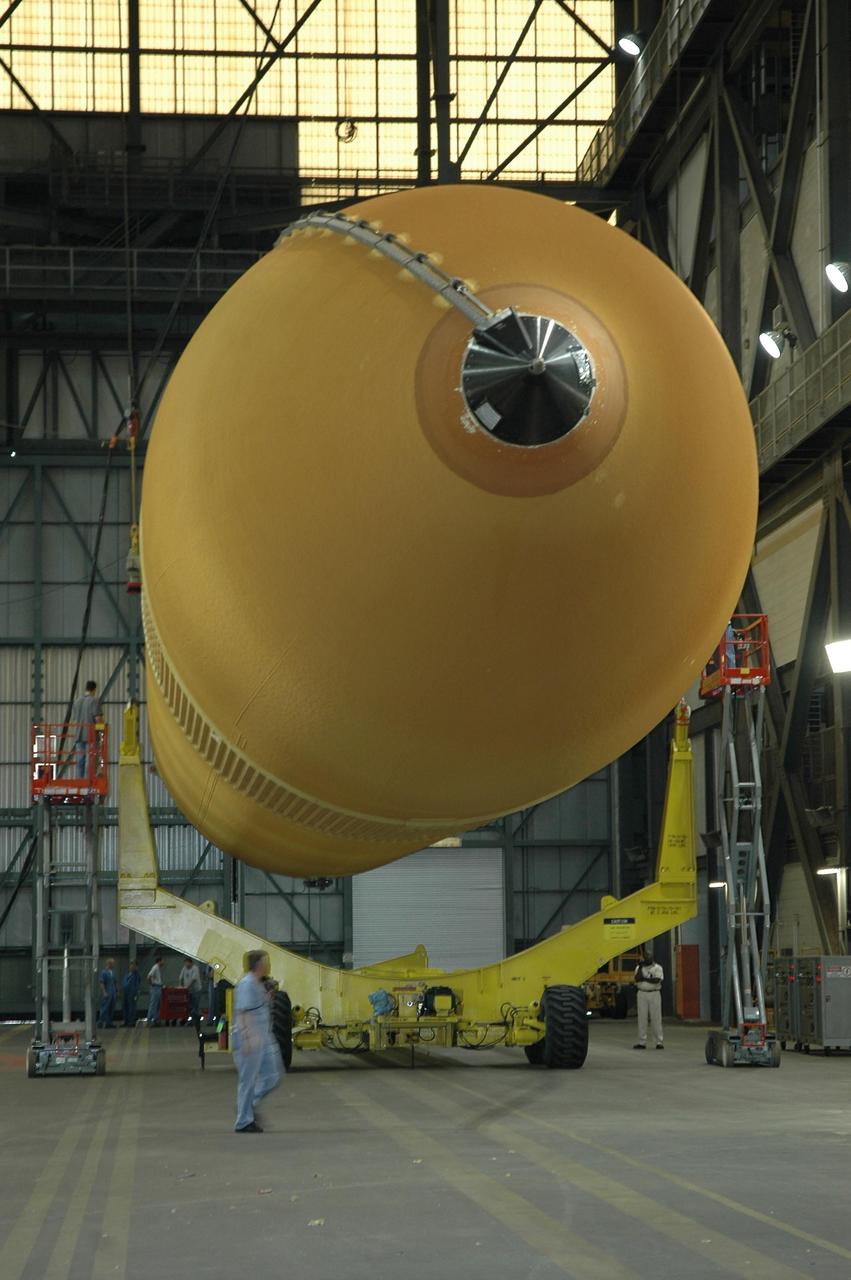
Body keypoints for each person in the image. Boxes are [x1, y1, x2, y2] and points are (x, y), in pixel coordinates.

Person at [232, 951, 283, 1133]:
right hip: (250, 1039)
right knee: (248, 1080)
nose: (268, 965)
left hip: (263, 1037)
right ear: (258, 965)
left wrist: (268, 994)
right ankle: (243, 1121)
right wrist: (246, 1038)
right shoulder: (246, 984)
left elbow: (260, 1007)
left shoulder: (258, 984)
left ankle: (248, 1104)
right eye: (266, 962)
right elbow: (242, 1013)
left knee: (273, 1075)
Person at [70, 680, 102, 779]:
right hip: (91, 735)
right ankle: (89, 781)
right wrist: (102, 728)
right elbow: (98, 718)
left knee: (80, 760)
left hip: (79, 735)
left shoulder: (77, 701)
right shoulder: (94, 700)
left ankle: (80, 781)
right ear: (94, 689)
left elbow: (74, 720)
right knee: (90, 759)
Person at [633, 947, 664, 1049]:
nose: (647, 958)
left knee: (656, 1018)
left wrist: (645, 978)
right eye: (645, 956)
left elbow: (656, 980)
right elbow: (637, 979)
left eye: (649, 956)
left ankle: (659, 1042)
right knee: (642, 1018)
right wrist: (640, 967)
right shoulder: (639, 968)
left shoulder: (657, 968)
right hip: (642, 993)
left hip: (654, 994)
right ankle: (642, 1042)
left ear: (652, 957)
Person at [179, 956, 202, 1023]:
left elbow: (193, 979)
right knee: (189, 1006)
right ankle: (188, 1019)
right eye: (185, 964)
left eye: (186, 963)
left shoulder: (195, 968)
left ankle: (195, 1021)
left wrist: (186, 987)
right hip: (188, 991)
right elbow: (180, 978)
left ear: (190, 963)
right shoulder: (184, 968)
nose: (185, 965)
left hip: (196, 990)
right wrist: (181, 986)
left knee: (195, 1006)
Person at [97, 957, 117, 1029]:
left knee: (111, 1007)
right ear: (109, 964)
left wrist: (116, 992)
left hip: (112, 992)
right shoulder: (104, 972)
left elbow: (114, 982)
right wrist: (104, 992)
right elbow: (101, 982)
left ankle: (109, 1023)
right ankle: (100, 1022)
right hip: (107, 992)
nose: (113, 965)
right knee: (105, 1008)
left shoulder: (112, 972)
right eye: (112, 964)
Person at [147, 954, 164, 1026]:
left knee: (157, 1005)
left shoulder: (157, 968)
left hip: (158, 987)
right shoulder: (155, 967)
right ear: (159, 961)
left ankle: (156, 1019)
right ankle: (150, 1020)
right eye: (162, 961)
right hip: (155, 988)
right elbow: (149, 976)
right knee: (153, 1004)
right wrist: (152, 985)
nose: (163, 962)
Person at [122, 959, 140, 1027]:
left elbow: (137, 985)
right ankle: (126, 1021)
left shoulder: (136, 975)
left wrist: (136, 994)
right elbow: (124, 983)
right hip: (125, 993)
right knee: (125, 1007)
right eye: (131, 965)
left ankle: (131, 1021)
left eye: (134, 965)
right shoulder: (127, 974)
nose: (132, 966)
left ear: (136, 966)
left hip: (132, 994)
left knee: (131, 1008)